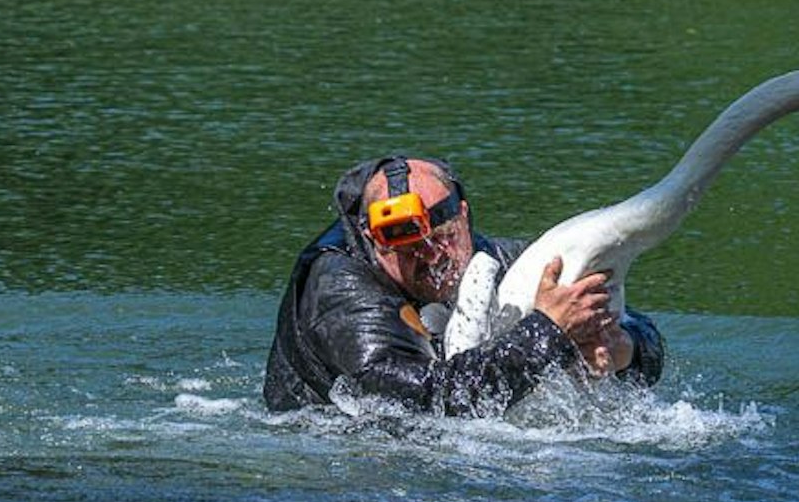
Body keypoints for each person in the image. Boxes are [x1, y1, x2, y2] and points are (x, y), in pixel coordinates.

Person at [263, 155, 665, 415]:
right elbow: (422, 405)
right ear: (373, 241)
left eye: (442, 239)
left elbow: (645, 336)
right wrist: (548, 331)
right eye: (408, 251)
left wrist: (623, 350)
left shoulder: (496, 259)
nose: (432, 258)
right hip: (336, 456)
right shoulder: (341, 292)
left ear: (464, 217)